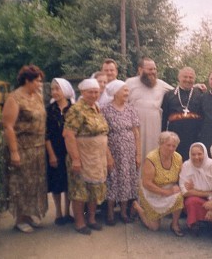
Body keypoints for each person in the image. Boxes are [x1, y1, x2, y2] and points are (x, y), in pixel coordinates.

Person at [63, 78, 114, 235]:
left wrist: (108, 156)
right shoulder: (76, 109)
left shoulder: (97, 108)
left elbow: (102, 134)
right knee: (80, 190)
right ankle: (79, 222)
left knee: (95, 189)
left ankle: (91, 219)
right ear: (82, 93)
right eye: (90, 92)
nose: (93, 95)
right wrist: (76, 159)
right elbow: (69, 135)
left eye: (96, 92)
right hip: (82, 156)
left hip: (97, 157)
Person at [2, 65, 48, 233]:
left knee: (34, 184)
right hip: (22, 149)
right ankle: (20, 220)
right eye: (38, 81)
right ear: (27, 80)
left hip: (37, 149)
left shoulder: (37, 96)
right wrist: (14, 152)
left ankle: (28, 216)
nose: (40, 84)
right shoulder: (14, 98)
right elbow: (8, 126)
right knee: (21, 184)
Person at [102, 80, 141, 225]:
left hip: (130, 152)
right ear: (115, 92)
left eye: (127, 90)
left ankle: (124, 213)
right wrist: (108, 156)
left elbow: (136, 132)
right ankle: (110, 213)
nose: (127, 93)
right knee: (113, 180)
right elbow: (103, 135)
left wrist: (138, 154)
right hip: (114, 151)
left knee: (127, 181)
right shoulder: (105, 110)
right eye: (124, 90)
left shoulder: (130, 109)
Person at [132, 132, 184, 237]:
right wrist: (166, 192)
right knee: (154, 227)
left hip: (168, 190)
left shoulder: (178, 157)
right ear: (160, 144)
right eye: (168, 145)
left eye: (174, 146)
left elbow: (181, 177)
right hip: (152, 191)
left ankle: (174, 224)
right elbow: (147, 184)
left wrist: (181, 186)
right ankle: (138, 207)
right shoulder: (151, 159)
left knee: (180, 196)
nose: (171, 148)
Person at [126, 57, 174, 164]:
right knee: (136, 151)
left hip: (154, 124)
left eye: (154, 69)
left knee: (152, 151)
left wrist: (195, 87)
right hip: (135, 124)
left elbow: (176, 91)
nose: (153, 72)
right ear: (140, 70)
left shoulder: (161, 84)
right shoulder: (130, 83)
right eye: (149, 69)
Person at [46, 78, 76, 226]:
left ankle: (67, 211)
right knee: (57, 182)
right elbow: (46, 134)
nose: (54, 92)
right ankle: (58, 213)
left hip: (71, 150)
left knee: (69, 182)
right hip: (55, 150)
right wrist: (51, 154)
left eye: (57, 89)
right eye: (52, 89)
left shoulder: (74, 109)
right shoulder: (49, 110)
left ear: (65, 90)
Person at [179, 142, 212, 235]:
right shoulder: (186, 165)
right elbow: (184, 191)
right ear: (190, 154)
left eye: (199, 154)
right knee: (191, 201)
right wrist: (208, 193)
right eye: (193, 154)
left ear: (205, 153)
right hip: (200, 197)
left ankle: (211, 222)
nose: (196, 157)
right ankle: (195, 223)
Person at [161, 67, 203, 161]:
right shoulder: (169, 95)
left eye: (191, 77)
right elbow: (164, 118)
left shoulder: (200, 94)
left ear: (194, 79)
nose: (188, 80)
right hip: (175, 137)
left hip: (194, 137)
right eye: (185, 77)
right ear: (179, 77)